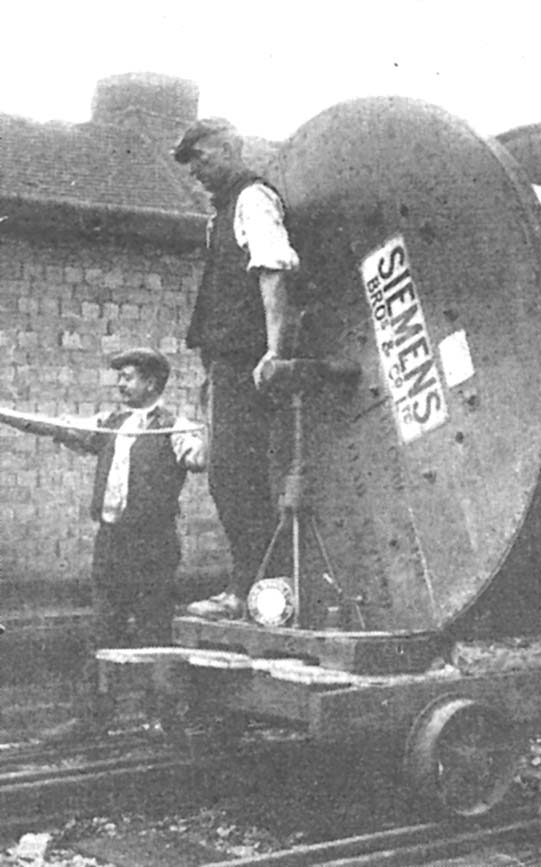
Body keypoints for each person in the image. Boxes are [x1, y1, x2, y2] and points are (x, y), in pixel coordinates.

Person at [0, 348, 206, 739]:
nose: (120, 384)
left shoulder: (176, 428)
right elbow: (57, 426)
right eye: (121, 377)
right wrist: (7, 416)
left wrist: (202, 438)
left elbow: (199, 460)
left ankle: (163, 718)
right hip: (111, 542)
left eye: (128, 377)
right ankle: (91, 718)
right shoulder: (111, 424)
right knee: (102, 629)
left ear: (152, 383)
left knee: (153, 632)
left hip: (153, 545)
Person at [172, 117, 301, 621]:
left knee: (235, 477)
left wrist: (274, 352)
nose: (196, 172)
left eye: (201, 159)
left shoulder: (252, 200)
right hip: (226, 363)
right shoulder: (222, 211)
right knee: (233, 475)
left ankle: (252, 589)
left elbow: (273, 272)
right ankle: (255, 587)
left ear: (227, 149)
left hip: (248, 361)